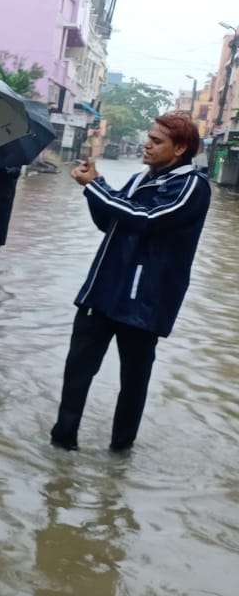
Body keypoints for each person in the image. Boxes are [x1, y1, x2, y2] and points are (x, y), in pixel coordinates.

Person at [50, 112, 211, 453]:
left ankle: (120, 452)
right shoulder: (140, 179)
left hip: (145, 302)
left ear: (180, 148)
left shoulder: (193, 187)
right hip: (103, 289)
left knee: (133, 381)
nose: (147, 145)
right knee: (77, 369)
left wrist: (96, 185)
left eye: (157, 141)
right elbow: (111, 221)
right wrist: (94, 190)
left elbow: (146, 219)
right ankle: (62, 443)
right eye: (148, 138)